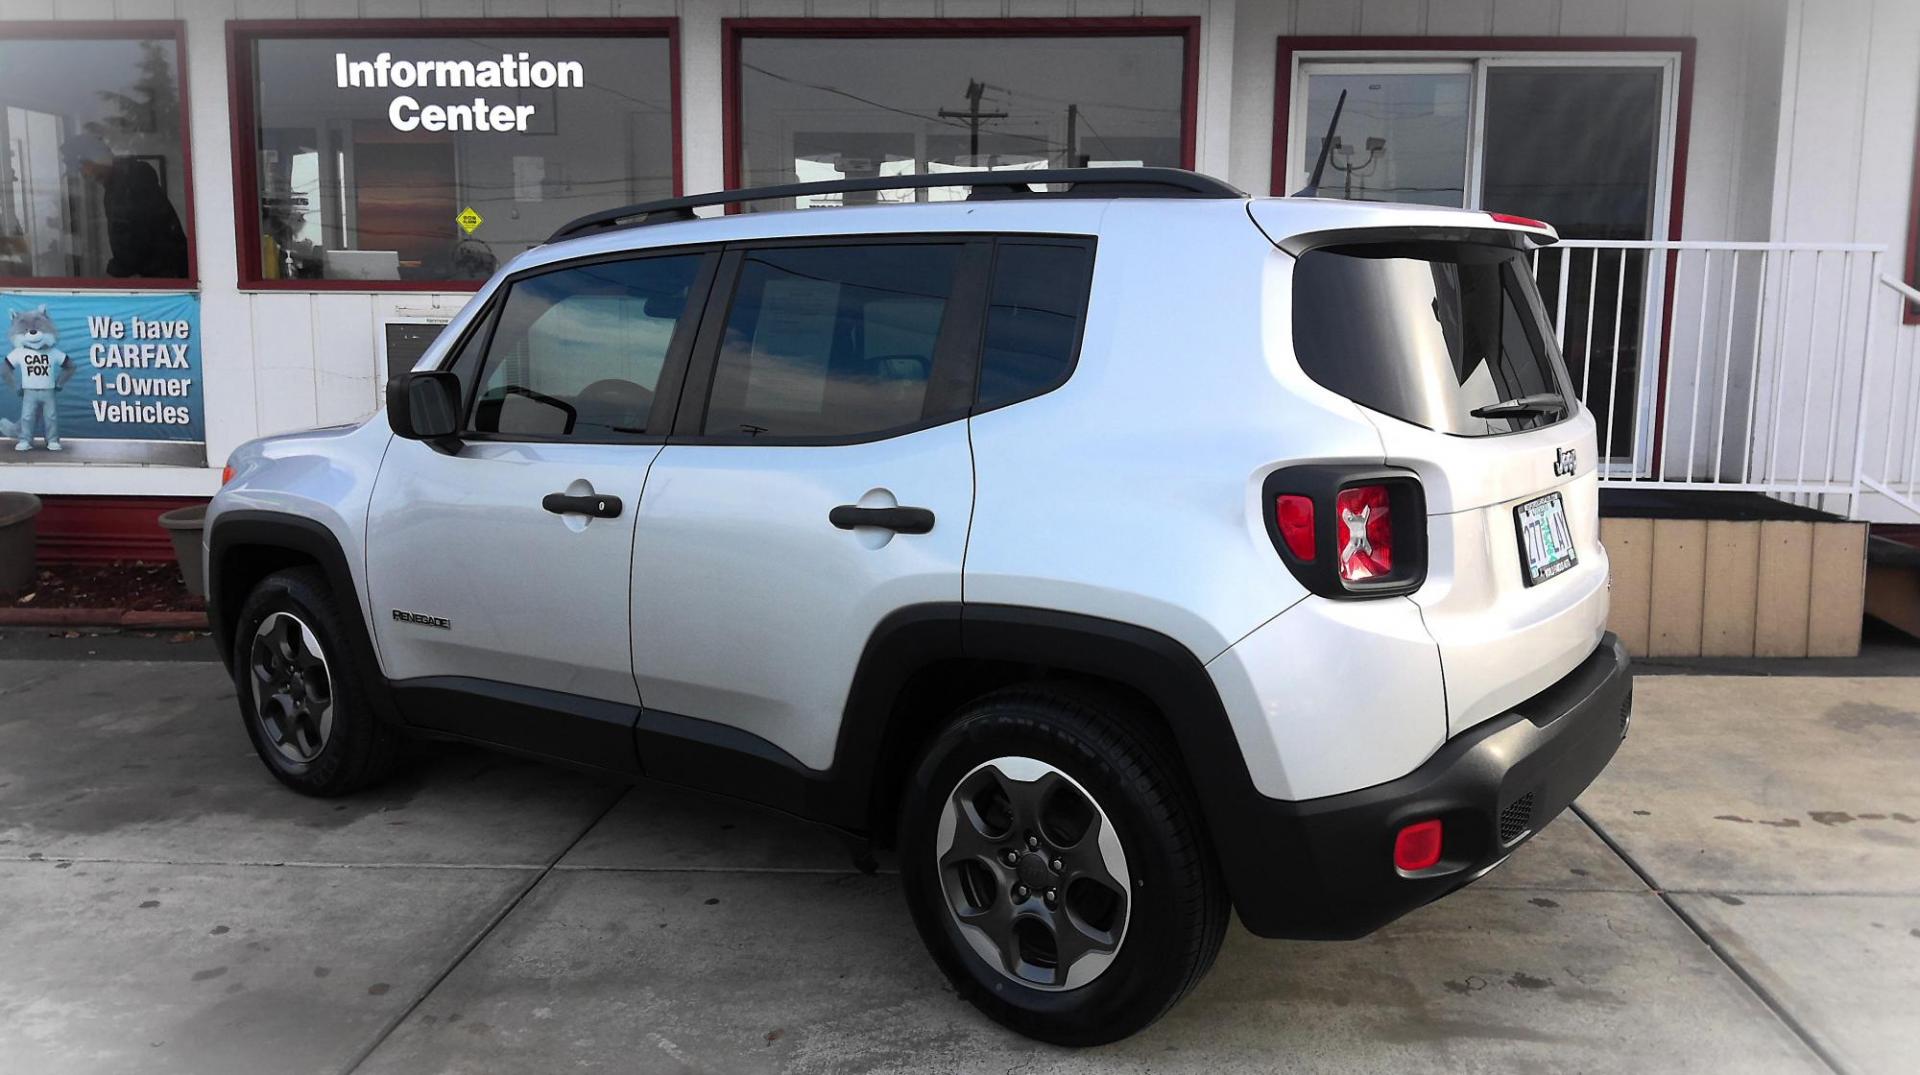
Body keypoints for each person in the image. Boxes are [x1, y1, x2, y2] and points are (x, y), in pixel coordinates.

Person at [61, 134, 188, 279]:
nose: (83, 175)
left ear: (94, 159)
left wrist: (110, 279)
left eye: (82, 168)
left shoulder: (127, 185)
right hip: (167, 274)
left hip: (168, 278)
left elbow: (132, 243)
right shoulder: (122, 182)